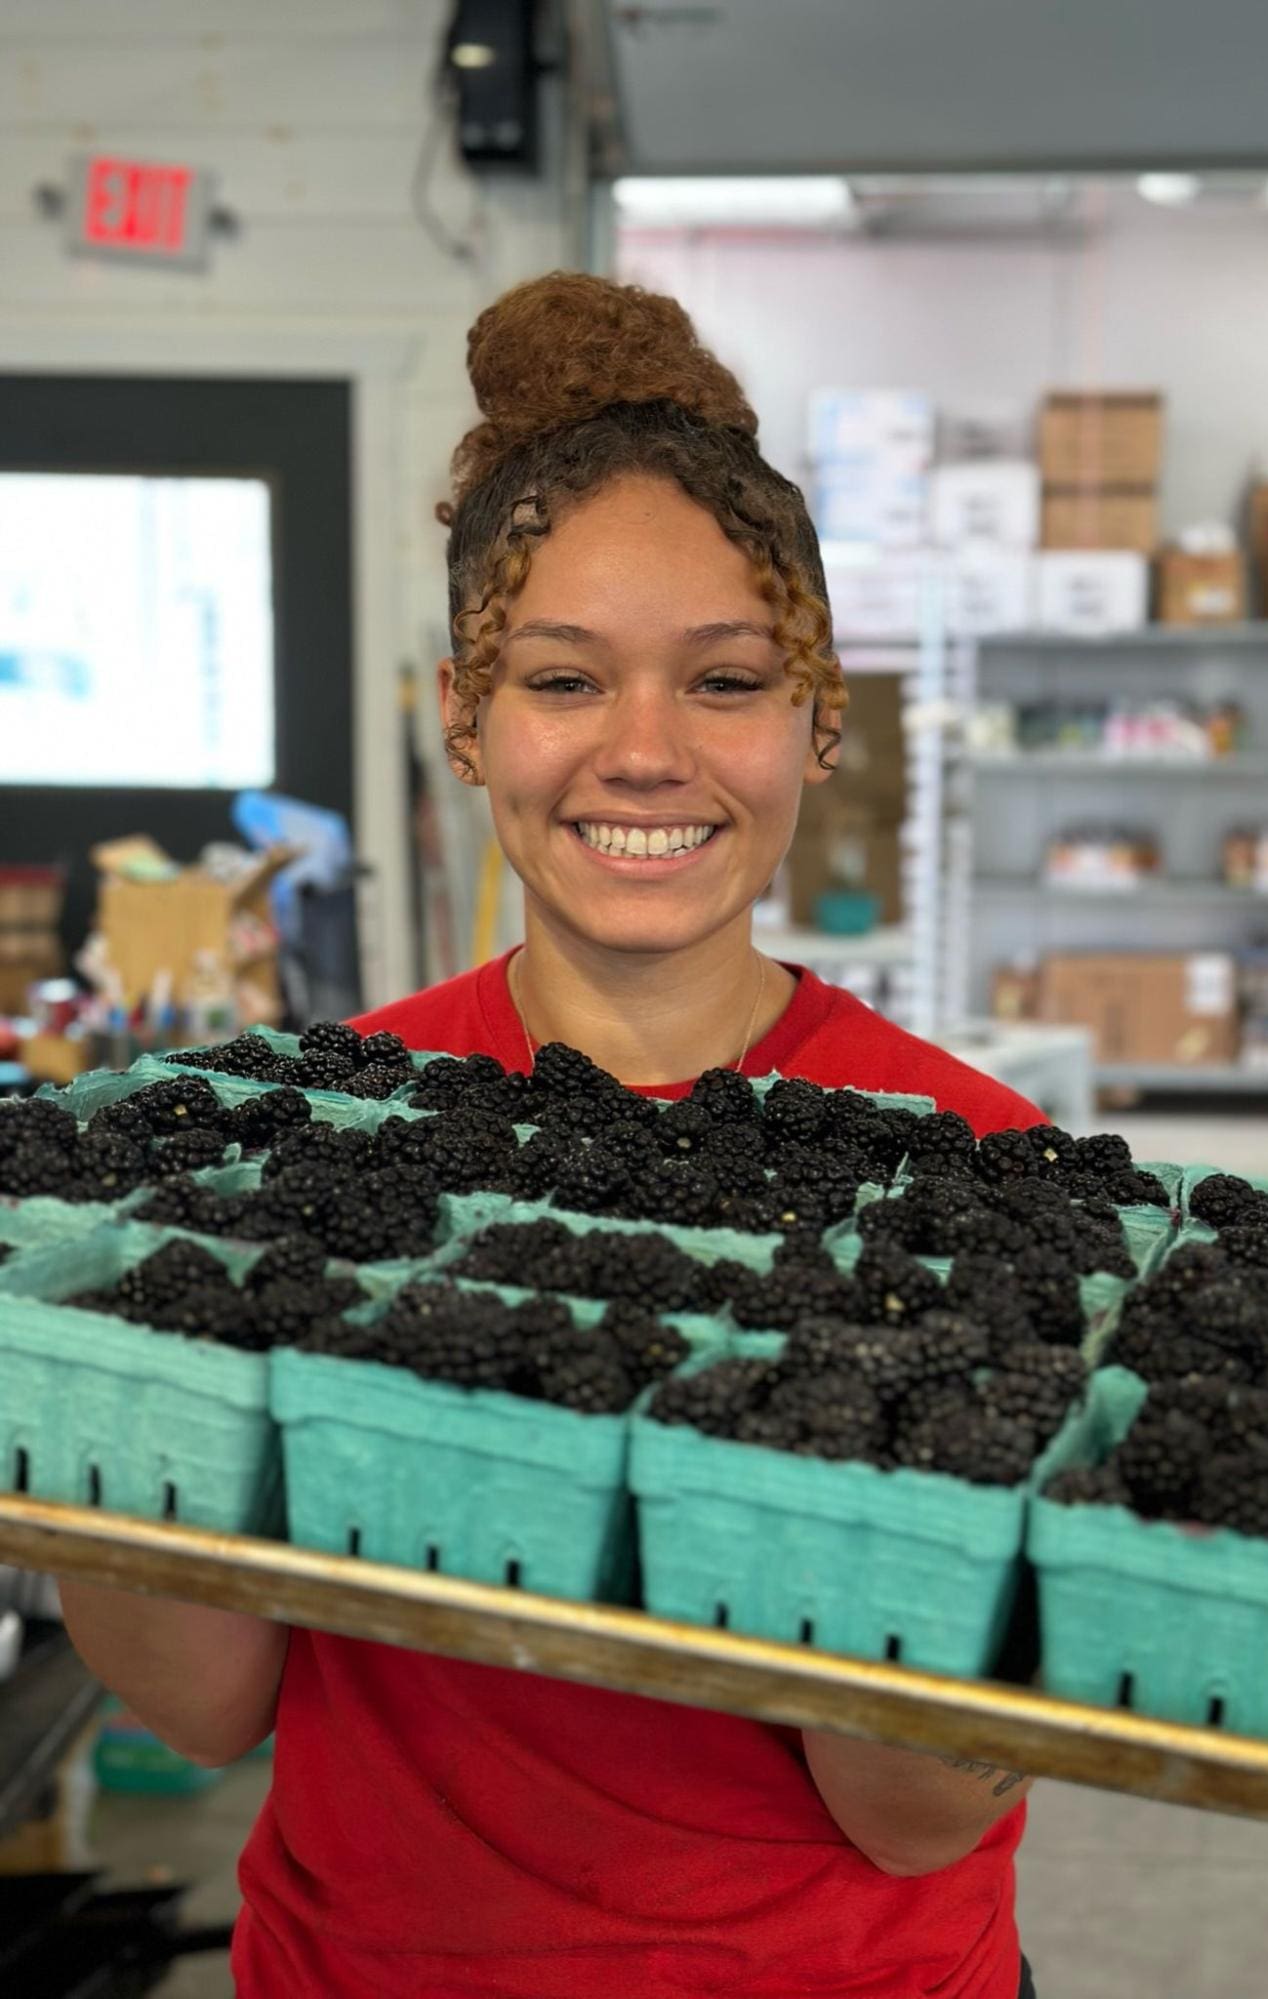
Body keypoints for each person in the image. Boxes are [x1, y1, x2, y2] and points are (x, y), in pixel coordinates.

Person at [59, 273, 1045, 1998]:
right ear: (468, 714)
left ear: (820, 714)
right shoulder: (309, 1127)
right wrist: (69, 1394)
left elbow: (913, 1821)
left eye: (726, 680)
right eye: (566, 677)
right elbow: (202, 1706)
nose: (644, 753)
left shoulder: (971, 1162)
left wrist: (865, 1472)